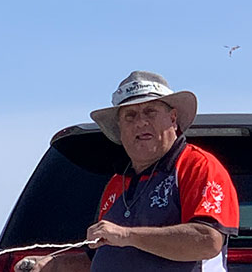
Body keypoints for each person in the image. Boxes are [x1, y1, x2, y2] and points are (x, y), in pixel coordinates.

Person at [17, 71, 240, 272]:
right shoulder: (116, 184)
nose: (141, 122)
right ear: (120, 129)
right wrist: (52, 265)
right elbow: (100, 257)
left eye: (150, 112)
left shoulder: (198, 166)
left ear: (172, 119)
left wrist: (126, 235)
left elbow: (207, 241)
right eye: (130, 116)